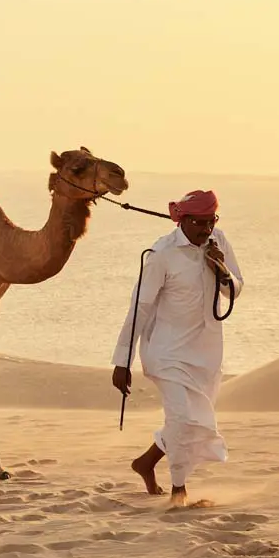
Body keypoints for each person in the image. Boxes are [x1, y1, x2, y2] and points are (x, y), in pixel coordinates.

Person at [111, 189, 244, 508]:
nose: (206, 229)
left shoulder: (219, 242)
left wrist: (222, 271)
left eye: (211, 221)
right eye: (199, 222)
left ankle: (146, 462)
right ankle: (178, 491)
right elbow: (139, 308)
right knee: (184, 418)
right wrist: (122, 362)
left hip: (207, 352)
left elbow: (236, 290)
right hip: (166, 352)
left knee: (193, 419)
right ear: (182, 220)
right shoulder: (161, 254)